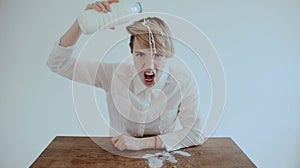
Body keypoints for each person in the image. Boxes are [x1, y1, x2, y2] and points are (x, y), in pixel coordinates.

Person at [47, 0, 204, 152]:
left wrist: (142, 144)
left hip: (164, 160)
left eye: (157, 55)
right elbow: (57, 63)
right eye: (140, 54)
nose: (149, 65)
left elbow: (195, 133)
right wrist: (80, 23)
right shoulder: (115, 75)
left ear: (168, 55)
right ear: (132, 53)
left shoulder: (182, 81)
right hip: (116, 157)